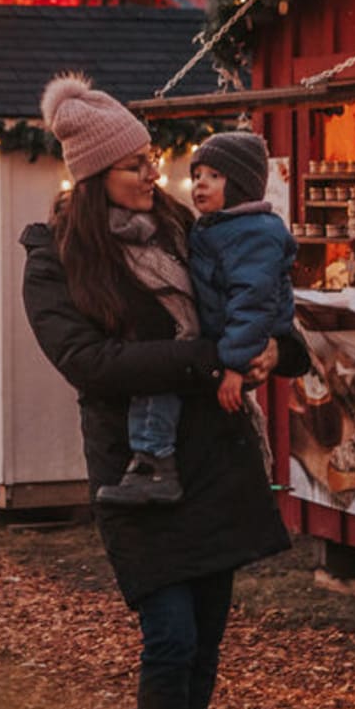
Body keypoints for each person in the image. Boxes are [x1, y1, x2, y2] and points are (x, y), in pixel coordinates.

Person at [21, 73, 306, 709]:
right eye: (134, 165)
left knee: (205, 638)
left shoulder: (190, 228)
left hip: (213, 458)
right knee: (171, 637)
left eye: (151, 159)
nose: (154, 174)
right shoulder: (56, 258)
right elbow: (88, 364)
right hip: (138, 470)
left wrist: (278, 349)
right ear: (94, 177)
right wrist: (209, 359)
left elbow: (259, 296)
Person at [97, 131, 296, 506]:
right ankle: (152, 459)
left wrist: (236, 363)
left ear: (240, 186)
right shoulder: (211, 228)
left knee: (165, 382)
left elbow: (252, 302)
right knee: (162, 378)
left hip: (240, 344)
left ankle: (155, 459)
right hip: (222, 343)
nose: (200, 183)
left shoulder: (250, 232)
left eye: (214, 176)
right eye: (197, 175)